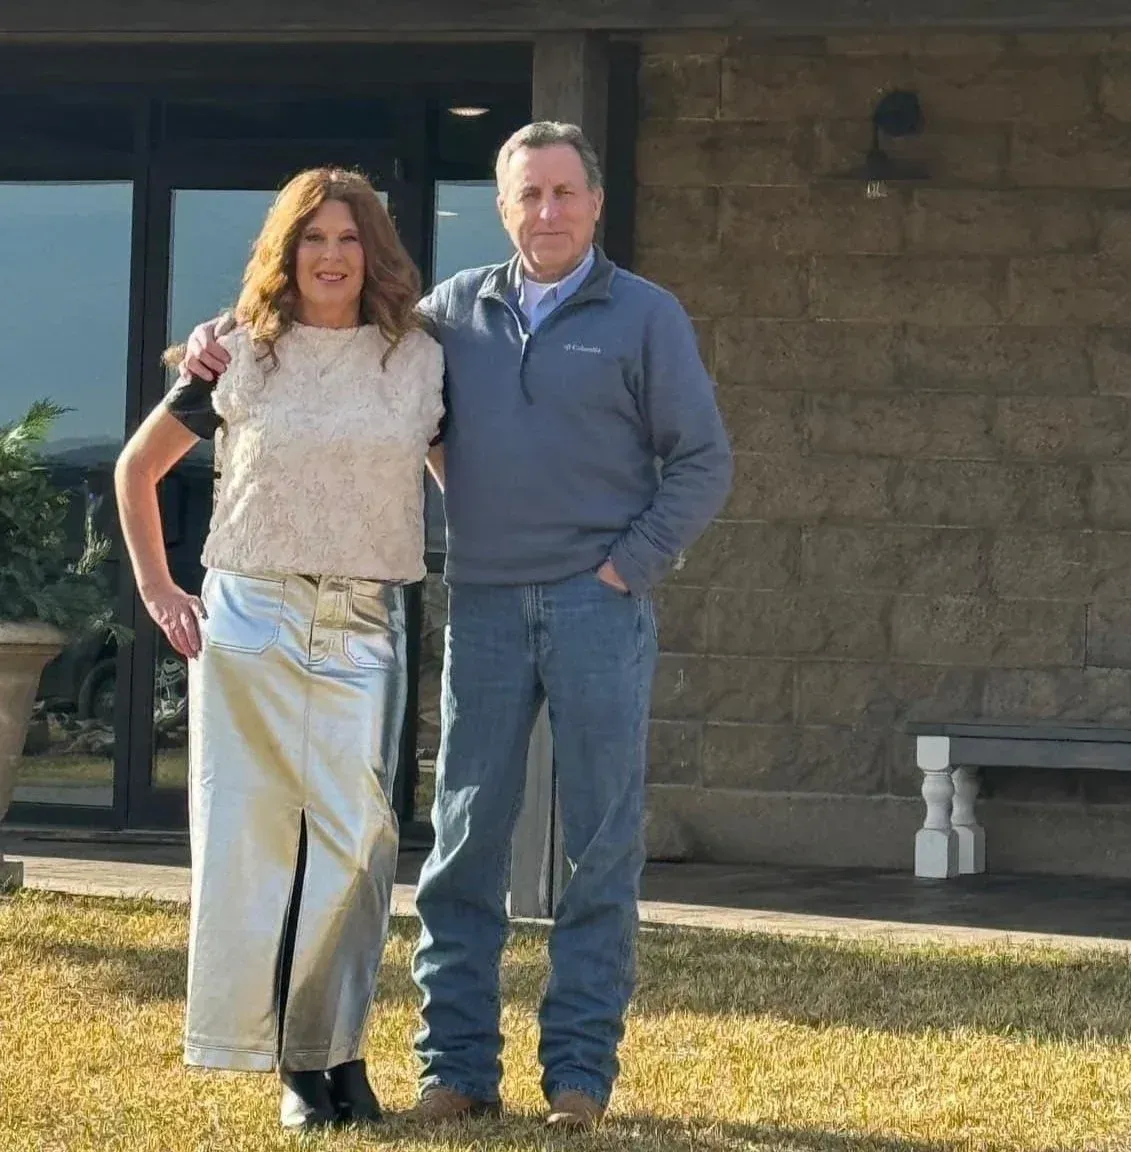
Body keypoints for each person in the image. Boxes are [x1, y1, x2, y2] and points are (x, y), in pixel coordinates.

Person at [179, 121, 733, 1130]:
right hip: (480, 603)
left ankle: (577, 1078)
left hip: (597, 609)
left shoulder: (647, 317)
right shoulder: (448, 316)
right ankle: (458, 1070)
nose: (548, 213)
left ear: (595, 204)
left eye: (565, 193)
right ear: (503, 204)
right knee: (465, 842)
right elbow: (334, 334)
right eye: (528, 195)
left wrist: (624, 568)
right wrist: (217, 335)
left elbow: (702, 462)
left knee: (599, 845)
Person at [115, 167, 444, 1131]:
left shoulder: (418, 359)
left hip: (363, 620)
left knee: (356, 847)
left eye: (349, 239)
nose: (332, 257)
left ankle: (332, 1046)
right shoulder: (237, 354)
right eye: (313, 240)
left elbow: (468, 484)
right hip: (250, 616)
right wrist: (158, 589)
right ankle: (293, 1073)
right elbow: (138, 469)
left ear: (373, 252)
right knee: (255, 846)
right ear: (286, 251)